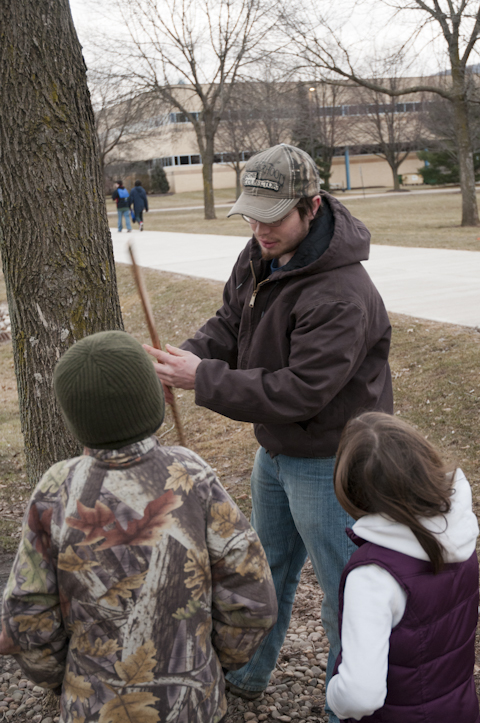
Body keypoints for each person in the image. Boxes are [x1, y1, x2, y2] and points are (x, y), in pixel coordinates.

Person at [145, 143, 393, 723]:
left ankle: (348, 707)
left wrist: (201, 379)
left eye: (272, 216)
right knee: (265, 570)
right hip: (277, 453)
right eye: (251, 215)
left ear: (312, 206)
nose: (259, 229)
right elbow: (231, 323)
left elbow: (301, 391)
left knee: (343, 595)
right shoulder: (260, 253)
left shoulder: (342, 293)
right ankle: (250, 675)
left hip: (332, 458)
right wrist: (187, 356)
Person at [0, 331, 278, 723]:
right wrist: (212, 661)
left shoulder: (56, 489)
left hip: (93, 709)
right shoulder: (191, 473)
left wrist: (62, 678)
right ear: (152, 399)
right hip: (194, 705)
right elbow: (254, 597)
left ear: (73, 415)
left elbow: (28, 615)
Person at [327, 412, 480, 722]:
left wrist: (334, 694)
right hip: (460, 709)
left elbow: (361, 694)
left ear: (352, 491)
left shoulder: (372, 576)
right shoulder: (460, 532)